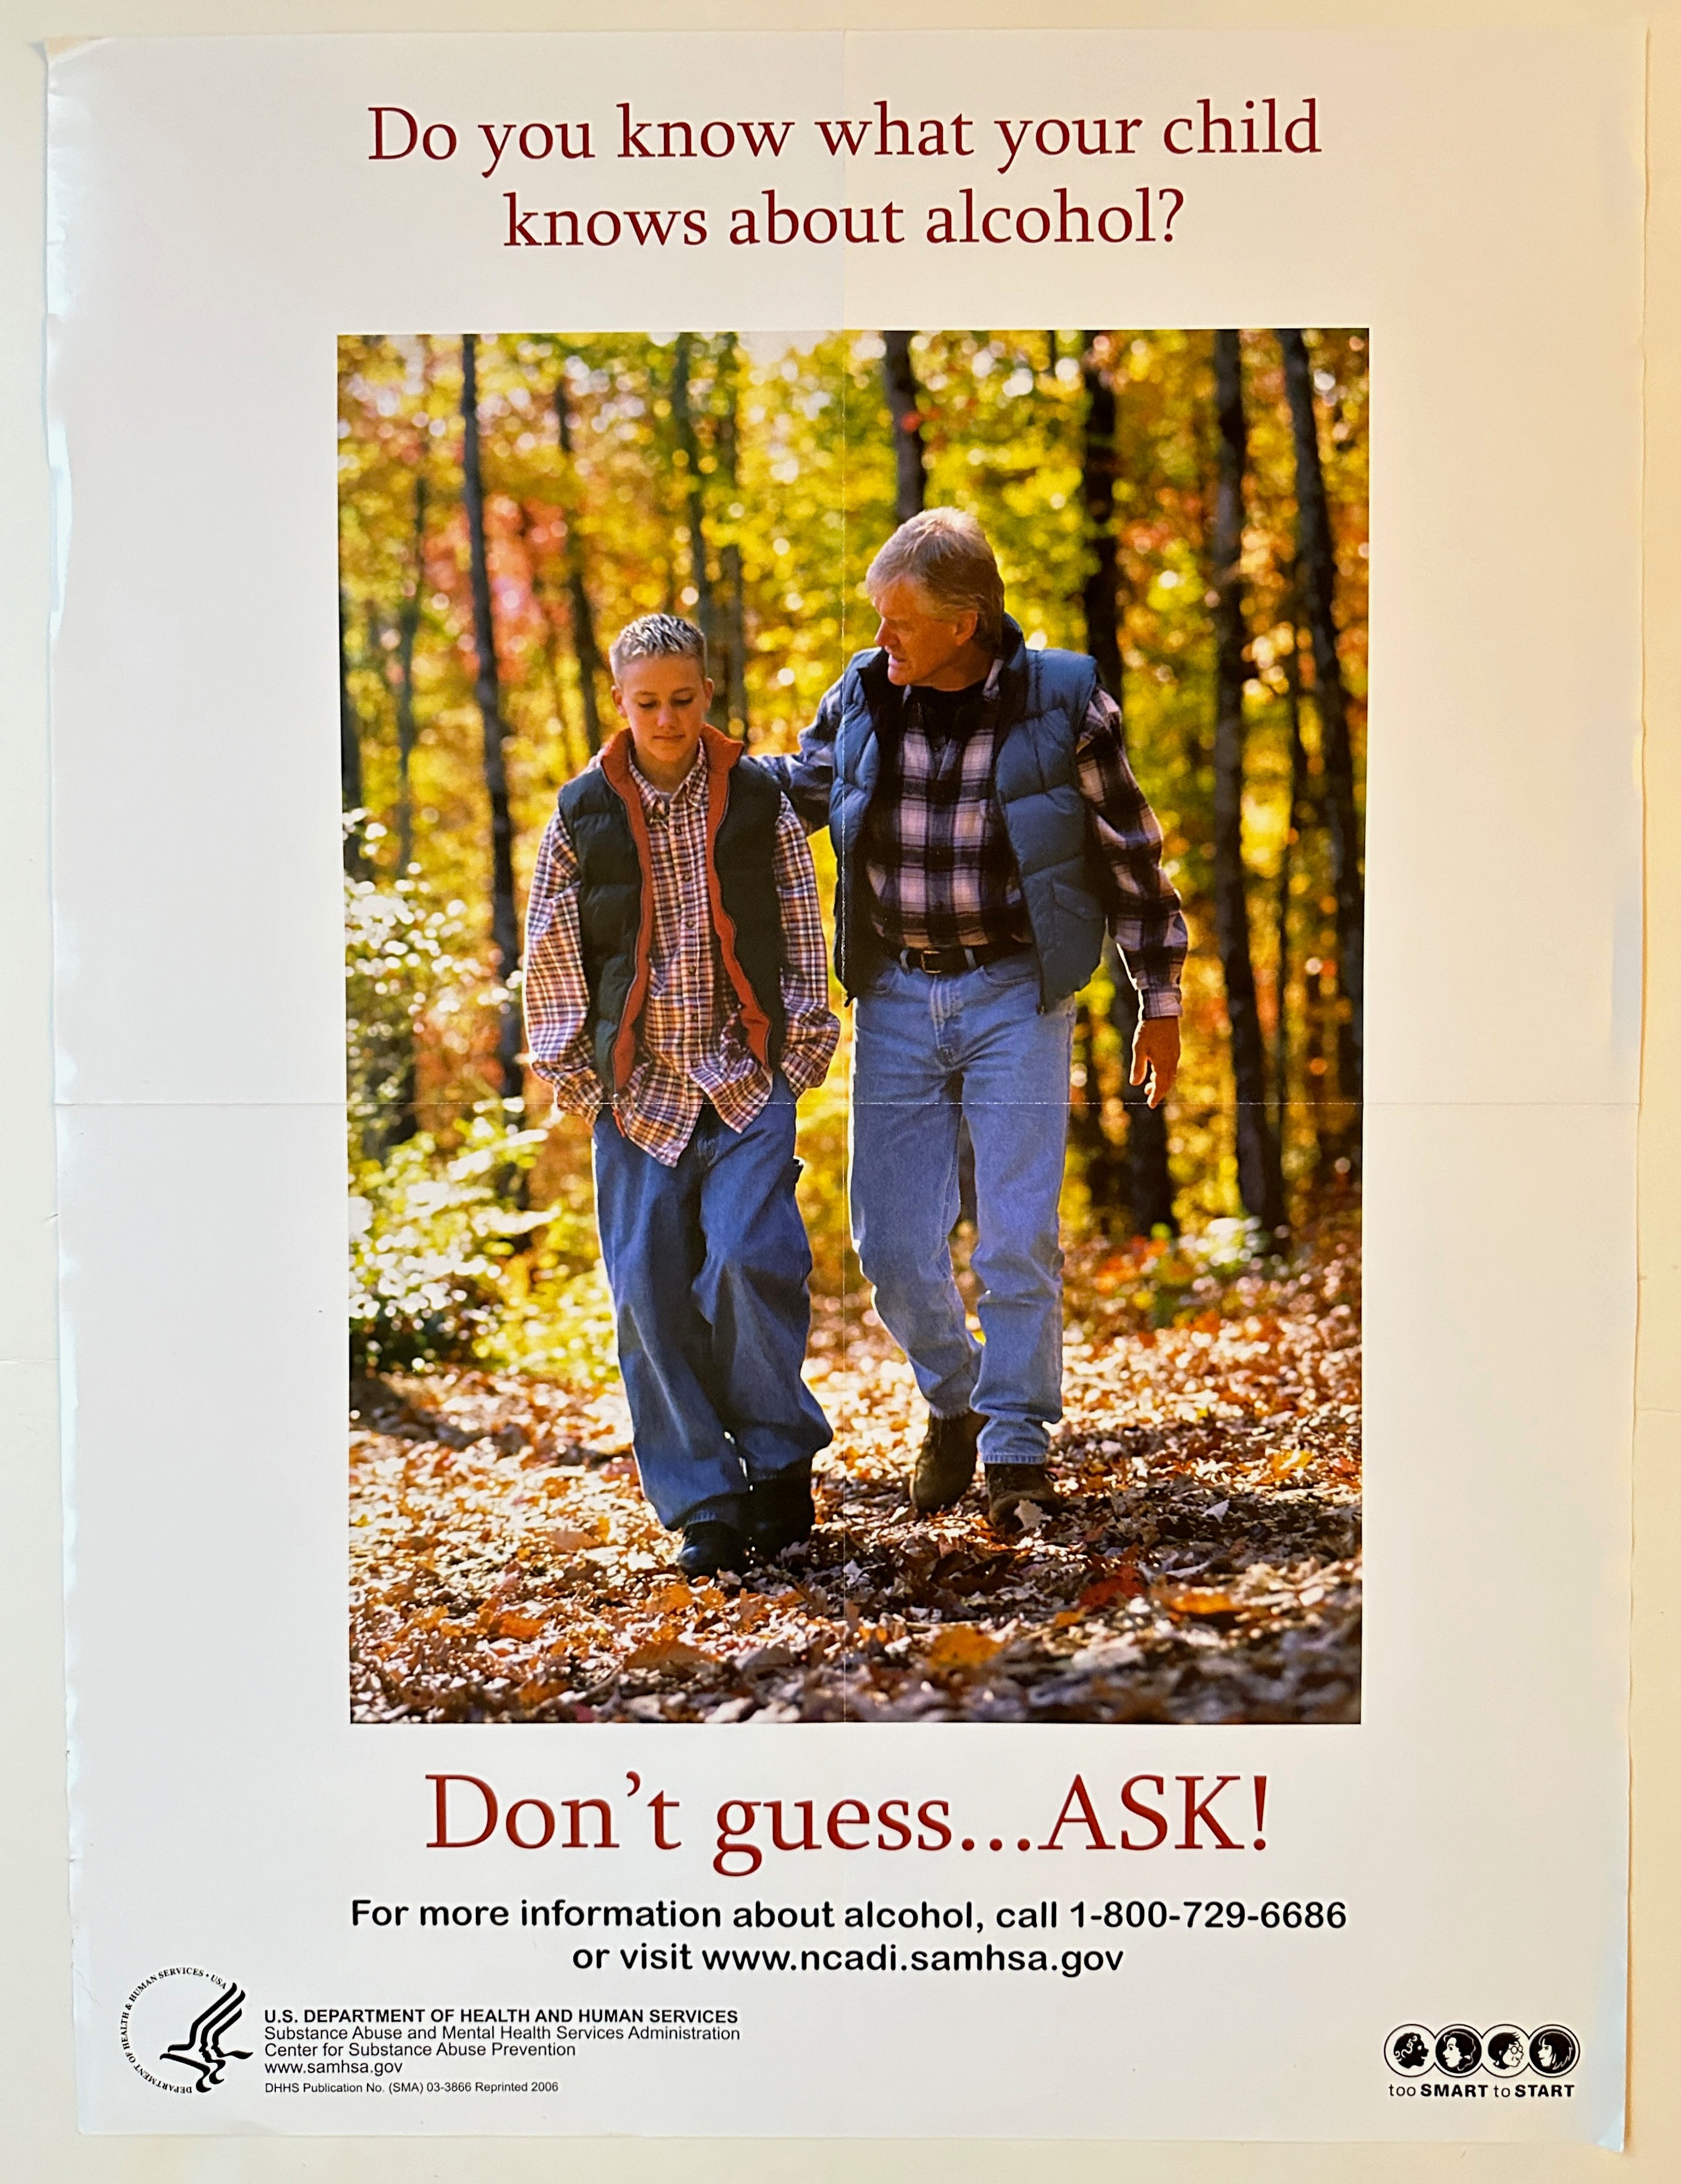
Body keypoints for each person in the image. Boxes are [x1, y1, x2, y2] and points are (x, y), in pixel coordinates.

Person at [763, 509, 1187, 1533]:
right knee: (892, 1245)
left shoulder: (1063, 701)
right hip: (897, 994)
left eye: (900, 620)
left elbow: (1131, 854)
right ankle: (955, 1400)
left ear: (968, 622)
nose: (882, 638)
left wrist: (1157, 999)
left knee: (1016, 1233)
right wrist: (694, 765)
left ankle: (1016, 1444)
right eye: (879, 618)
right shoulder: (863, 695)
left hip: (1015, 995)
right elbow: (797, 792)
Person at [523, 613, 839, 1578]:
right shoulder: (582, 813)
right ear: (620, 701)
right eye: (646, 702)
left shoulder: (755, 802)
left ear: (709, 693)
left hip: (744, 1082)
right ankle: (703, 1497)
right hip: (638, 1094)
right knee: (647, 1297)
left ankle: (779, 1462)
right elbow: (549, 946)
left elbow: (797, 912)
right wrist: (576, 1074)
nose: (666, 718)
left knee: (751, 1261)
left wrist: (799, 1045)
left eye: (683, 698)